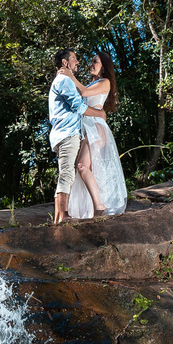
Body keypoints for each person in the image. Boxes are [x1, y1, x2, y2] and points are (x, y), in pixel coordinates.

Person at [65, 51, 128, 219]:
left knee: (82, 166)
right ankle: (96, 207)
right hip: (87, 129)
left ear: (104, 67)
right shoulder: (91, 84)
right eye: (92, 62)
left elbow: (84, 93)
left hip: (96, 128)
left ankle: (99, 205)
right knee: (86, 168)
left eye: (95, 62)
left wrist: (69, 74)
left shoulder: (104, 82)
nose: (91, 65)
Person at [48, 49, 106, 224]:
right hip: (67, 133)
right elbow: (78, 107)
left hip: (64, 133)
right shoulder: (64, 80)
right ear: (65, 63)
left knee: (66, 173)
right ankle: (62, 216)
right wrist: (99, 113)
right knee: (66, 174)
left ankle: (60, 216)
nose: (78, 62)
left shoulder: (65, 80)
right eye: (74, 59)